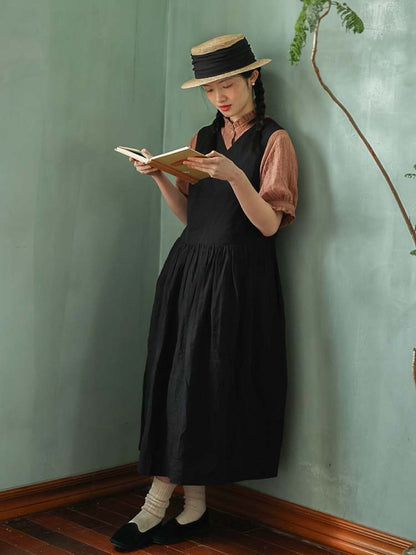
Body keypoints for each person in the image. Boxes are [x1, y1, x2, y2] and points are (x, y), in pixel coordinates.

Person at [110, 33, 298, 551]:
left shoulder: (275, 140)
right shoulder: (203, 136)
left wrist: (236, 176)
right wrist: (158, 176)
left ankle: (155, 508)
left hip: (238, 278)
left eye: (228, 85)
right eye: (210, 90)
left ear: (252, 78)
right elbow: (191, 217)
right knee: (177, 382)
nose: (220, 98)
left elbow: (268, 225)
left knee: (204, 387)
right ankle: (194, 510)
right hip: (188, 269)